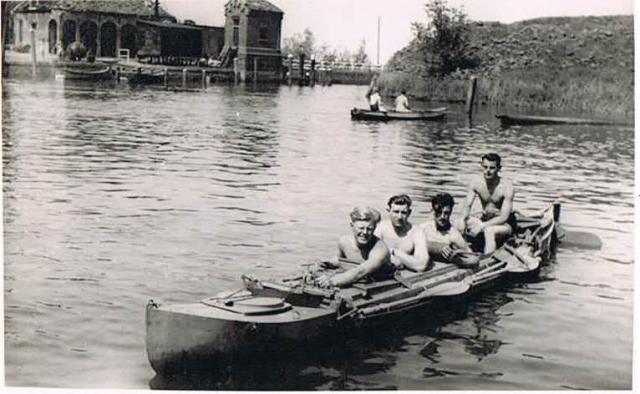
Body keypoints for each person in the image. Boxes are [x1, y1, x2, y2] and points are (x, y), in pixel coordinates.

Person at [317, 206, 394, 287]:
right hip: (358, 276)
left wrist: (333, 281)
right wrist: (326, 264)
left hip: (382, 283)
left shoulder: (380, 249)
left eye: (369, 229)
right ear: (352, 225)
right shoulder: (344, 242)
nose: (364, 232)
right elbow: (340, 260)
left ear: (375, 228)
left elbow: (361, 271)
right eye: (361, 228)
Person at [456, 153, 516, 254]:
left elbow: (504, 217)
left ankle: (487, 259)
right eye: (485, 167)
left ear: (499, 168)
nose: (488, 171)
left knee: (489, 231)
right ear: (481, 166)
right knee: (458, 223)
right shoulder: (476, 182)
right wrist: (462, 219)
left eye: (492, 168)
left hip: (504, 225)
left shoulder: (507, 187)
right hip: (485, 220)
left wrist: (482, 226)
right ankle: (462, 252)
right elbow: (467, 205)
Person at [375, 194, 429, 272]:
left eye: (403, 212)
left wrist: (393, 251)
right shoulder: (380, 228)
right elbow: (370, 256)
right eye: (396, 212)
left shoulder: (417, 231)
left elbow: (421, 265)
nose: (399, 217)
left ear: (409, 213)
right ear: (389, 211)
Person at [423, 193, 478, 267]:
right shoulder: (424, 228)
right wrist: (437, 247)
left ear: (451, 212)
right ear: (432, 211)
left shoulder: (454, 235)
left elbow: (473, 259)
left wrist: (456, 256)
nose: (442, 217)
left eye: (446, 213)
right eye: (439, 212)